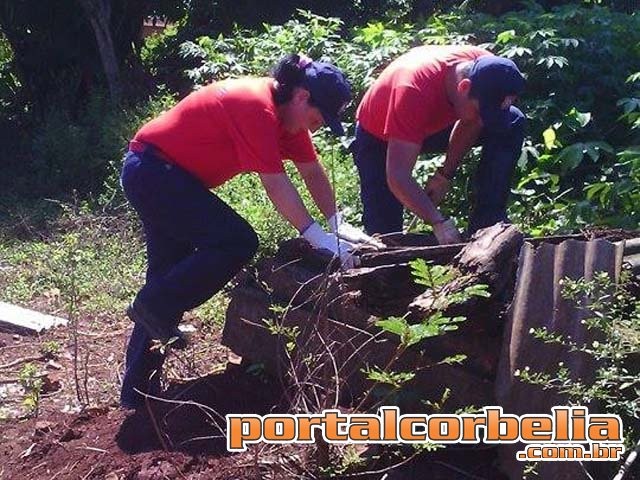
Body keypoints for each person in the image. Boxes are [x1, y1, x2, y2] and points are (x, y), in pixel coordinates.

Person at [119, 54, 374, 409]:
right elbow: (276, 184)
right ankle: (153, 307)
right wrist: (316, 237)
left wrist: (337, 225)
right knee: (236, 241)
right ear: (301, 97)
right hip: (153, 171)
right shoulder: (256, 106)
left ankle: (136, 393)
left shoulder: (290, 123)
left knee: (167, 282)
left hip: (166, 176)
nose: (315, 128)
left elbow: (312, 171)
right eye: (318, 118)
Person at [352, 45, 526, 244]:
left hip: (433, 119)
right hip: (379, 136)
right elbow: (398, 176)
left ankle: (488, 223)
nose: (482, 119)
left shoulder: (490, 72)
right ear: (464, 88)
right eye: (481, 111)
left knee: (512, 121)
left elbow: (472, 122)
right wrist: (438, 221)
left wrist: (445, 175)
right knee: (385, 237)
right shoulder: (412, 90)